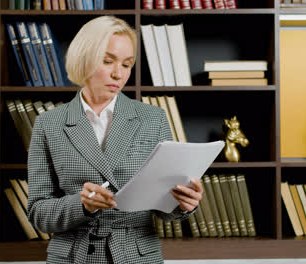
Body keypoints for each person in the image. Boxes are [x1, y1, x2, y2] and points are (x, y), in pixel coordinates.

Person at [27, 16, 203, 264]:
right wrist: (82, 205)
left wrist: (184, 204)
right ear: (84, 58)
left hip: (136, 255)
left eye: (127, 64)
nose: (118, 74)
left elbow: (165, 208)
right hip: (73, 256)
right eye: (108, 61)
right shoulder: (49, 123)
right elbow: (38, 212)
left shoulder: (153, 118)